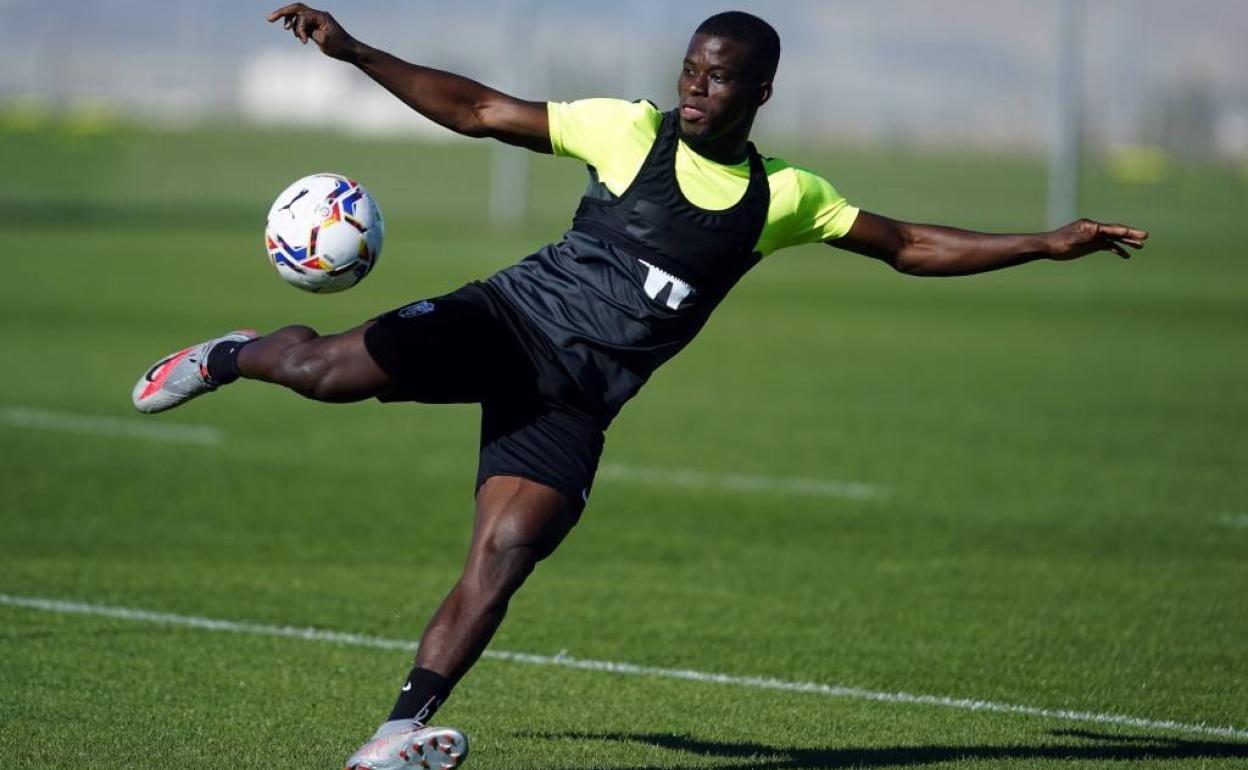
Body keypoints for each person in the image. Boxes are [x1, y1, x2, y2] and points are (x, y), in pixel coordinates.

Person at [131, 5, 1149, 769]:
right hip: (505, 323)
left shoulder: (783, 197)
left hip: (575, 401)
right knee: (319, 373)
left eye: (718, 79)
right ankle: (232, 354)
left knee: (506, 552)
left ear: (760, 93)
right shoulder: (627, 132)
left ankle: (397, 731)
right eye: (690, 72)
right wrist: (357, 52)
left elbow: (911, 244)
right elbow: (480, 109)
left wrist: (1045, 243)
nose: (695, 90)